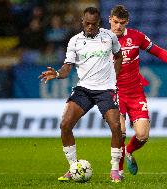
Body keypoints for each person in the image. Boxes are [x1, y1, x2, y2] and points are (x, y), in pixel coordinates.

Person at [109, 5, 167, 177]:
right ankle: (118, 171)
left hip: (135, 92)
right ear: (110, 20)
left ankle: (129, 151)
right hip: (115, 93)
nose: (118, 26)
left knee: (142, 135)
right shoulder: (102, 40)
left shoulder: (136, 37)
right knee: (120, 131)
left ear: (127, 22)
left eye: (122, 23)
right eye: (115, 22)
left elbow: (158, 52)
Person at [39, 7, 124, 182]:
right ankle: (73, 167)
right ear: (82, 22)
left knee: (116, 127)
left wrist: (114, 79)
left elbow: (118, 55)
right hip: (84, 89)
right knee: (65, 125)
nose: (90, 27)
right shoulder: (75, 41)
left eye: (93, 24)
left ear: (99, 23)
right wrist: (56, 74)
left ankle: (115, 169)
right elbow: (67, 67)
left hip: (105, 90)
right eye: (87, 23)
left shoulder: (110, 37)